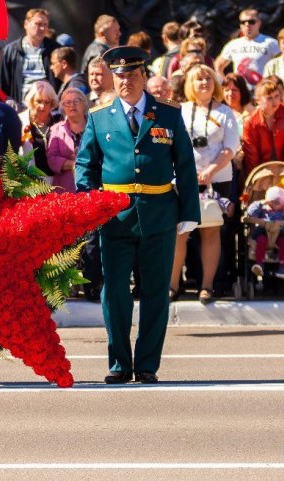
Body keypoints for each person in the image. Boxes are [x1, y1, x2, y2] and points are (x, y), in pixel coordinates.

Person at [76, 47, 199, 385]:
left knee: (156, 291)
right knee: (114, 291)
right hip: (114, 217)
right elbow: (85, 164)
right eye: (119, 75)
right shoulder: (100, 115)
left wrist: (189, 211)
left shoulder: (168, 114)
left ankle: (146, 364)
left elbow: (185, 165)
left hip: (159, 213)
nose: (125, 81)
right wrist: (91, 203)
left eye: (131, 74)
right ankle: (119, 363)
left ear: (144, 76)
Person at [171, 65, 240, 304]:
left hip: (216, 180)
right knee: (180, 233)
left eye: (208, 78)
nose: (204, 83)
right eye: (199, 79)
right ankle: (172, 285)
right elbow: (171, 145)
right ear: (190, 83)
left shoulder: (225, 112)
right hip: (183, 180)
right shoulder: (180, 110)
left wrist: (211, 170)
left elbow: (231, 148)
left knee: (210, 231)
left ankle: (207, 286)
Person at [0, 8, 60, 104]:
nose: (42, 28)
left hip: (48, 108)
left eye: (45, 25)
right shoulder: (11, 51)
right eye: (38, 24)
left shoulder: (55, 49)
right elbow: (2, 84)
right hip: (20, 108)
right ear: (26, 24)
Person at [241, 79, 284, 177]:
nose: (275, 101)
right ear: (257, 101)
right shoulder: (250, 123)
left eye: (277, 96)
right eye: (269, 98)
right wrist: (255, 177)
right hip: (262, 170)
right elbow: (252, 157)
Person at [213, 8, 279, 85]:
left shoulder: (271, 43)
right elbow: (218, 65)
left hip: (263, 92)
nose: (247, 25)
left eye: (251, 22)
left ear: (259, 23)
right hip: (240, 93)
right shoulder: (233, 44)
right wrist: (226, 83)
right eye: (243, 22)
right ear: (240, 25)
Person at [243, 186, 284, 281]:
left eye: (277, 202)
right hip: (263, 231)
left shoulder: (283, 213)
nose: (274, 205)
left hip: (280, 233)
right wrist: (262, 203)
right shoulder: (262, 210)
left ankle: (283, 268)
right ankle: (259, 264)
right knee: (261, 240)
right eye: (272, 202)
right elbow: (250, 213)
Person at [46, 88, 88, 193]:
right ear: (63, 107)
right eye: (67, 102)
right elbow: (52, 159)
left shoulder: (94, 127)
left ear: (84, 105)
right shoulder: (56, 129)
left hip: (90, 184)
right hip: (64, 190)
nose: (72, 105)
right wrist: (73, 164)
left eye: (76, 101)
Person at [19, 81, 62, 177]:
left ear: (52, 104)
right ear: (31, 101)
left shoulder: (59, 121)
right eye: (38, 101)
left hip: (56, 180)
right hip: (29, 181)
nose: (42, 106)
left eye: (47, 102)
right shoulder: (21, 121)